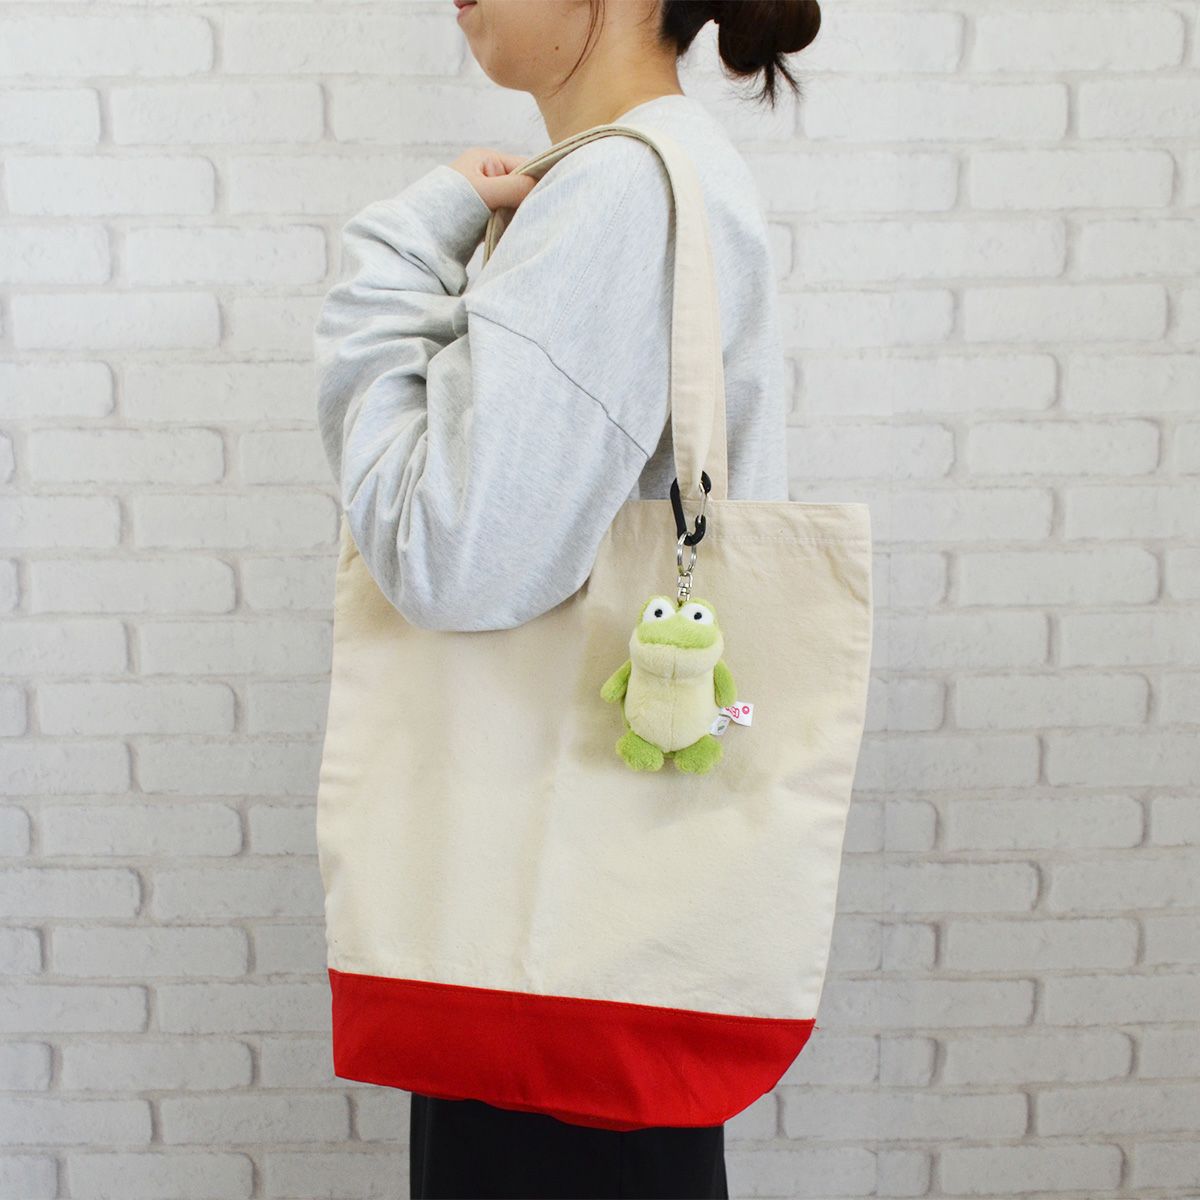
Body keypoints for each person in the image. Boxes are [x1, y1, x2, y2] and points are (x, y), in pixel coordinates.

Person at [313, 0, 821, 1194]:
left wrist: (402, 247)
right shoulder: (654, 171)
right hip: (580, 947)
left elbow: (446, 553)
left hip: (542, 969)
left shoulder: (618, 195)